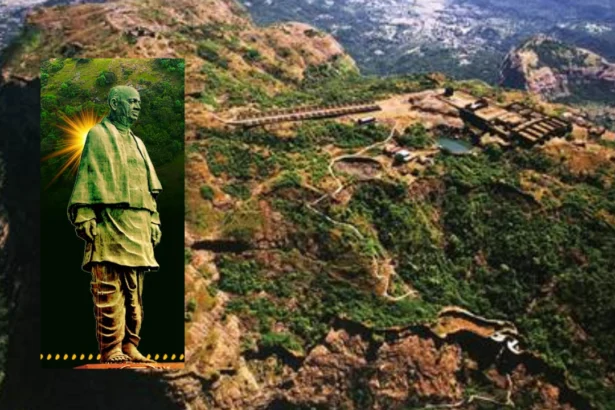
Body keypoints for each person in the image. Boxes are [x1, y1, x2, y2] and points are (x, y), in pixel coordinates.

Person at [68, 85, 162, 363]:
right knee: (108, 286)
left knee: (135, 292)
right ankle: (111, 347)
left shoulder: (139, 142)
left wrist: (154, 219)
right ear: (114, 104)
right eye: (131, 101)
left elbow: (150, 188)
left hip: (139, 223)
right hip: (110, 221)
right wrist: (85, 213)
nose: (137, 106)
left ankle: (131, 343)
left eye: (138, 102)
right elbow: (88, 175)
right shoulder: (98, 135)